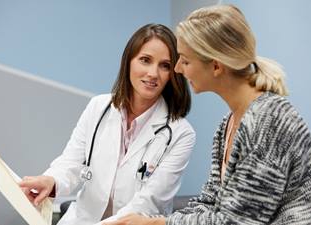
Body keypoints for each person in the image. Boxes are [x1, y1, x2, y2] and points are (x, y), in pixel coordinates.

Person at [104, 4, 311, 225]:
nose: (177, 70)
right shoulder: (228, 125)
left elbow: (237, 221)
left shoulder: (269, 120)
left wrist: (158, 224)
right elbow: (210, 202)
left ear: (216, 66)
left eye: (185, 60)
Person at [19, 23, 196, 225]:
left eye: (164, 65)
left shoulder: (181, 133)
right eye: (145, 60)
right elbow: (72, 162)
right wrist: (50, 181)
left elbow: (148, 202)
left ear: (173, 73)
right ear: (128, 61)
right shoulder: (99, 107)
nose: (153, 73)